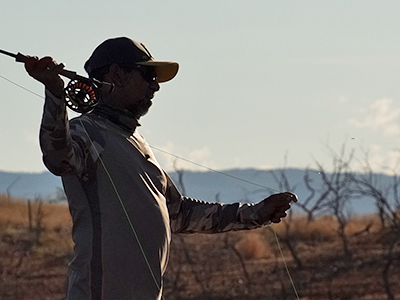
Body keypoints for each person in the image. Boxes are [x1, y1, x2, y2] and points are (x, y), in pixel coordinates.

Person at [24, 37, 297, 300]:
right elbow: (57, 156)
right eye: (148, 76)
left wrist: (256, 213)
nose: (155, 87)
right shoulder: (85, 132)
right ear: (117, 75)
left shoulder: (137, 144)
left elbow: (178, 213)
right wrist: (55, 93)